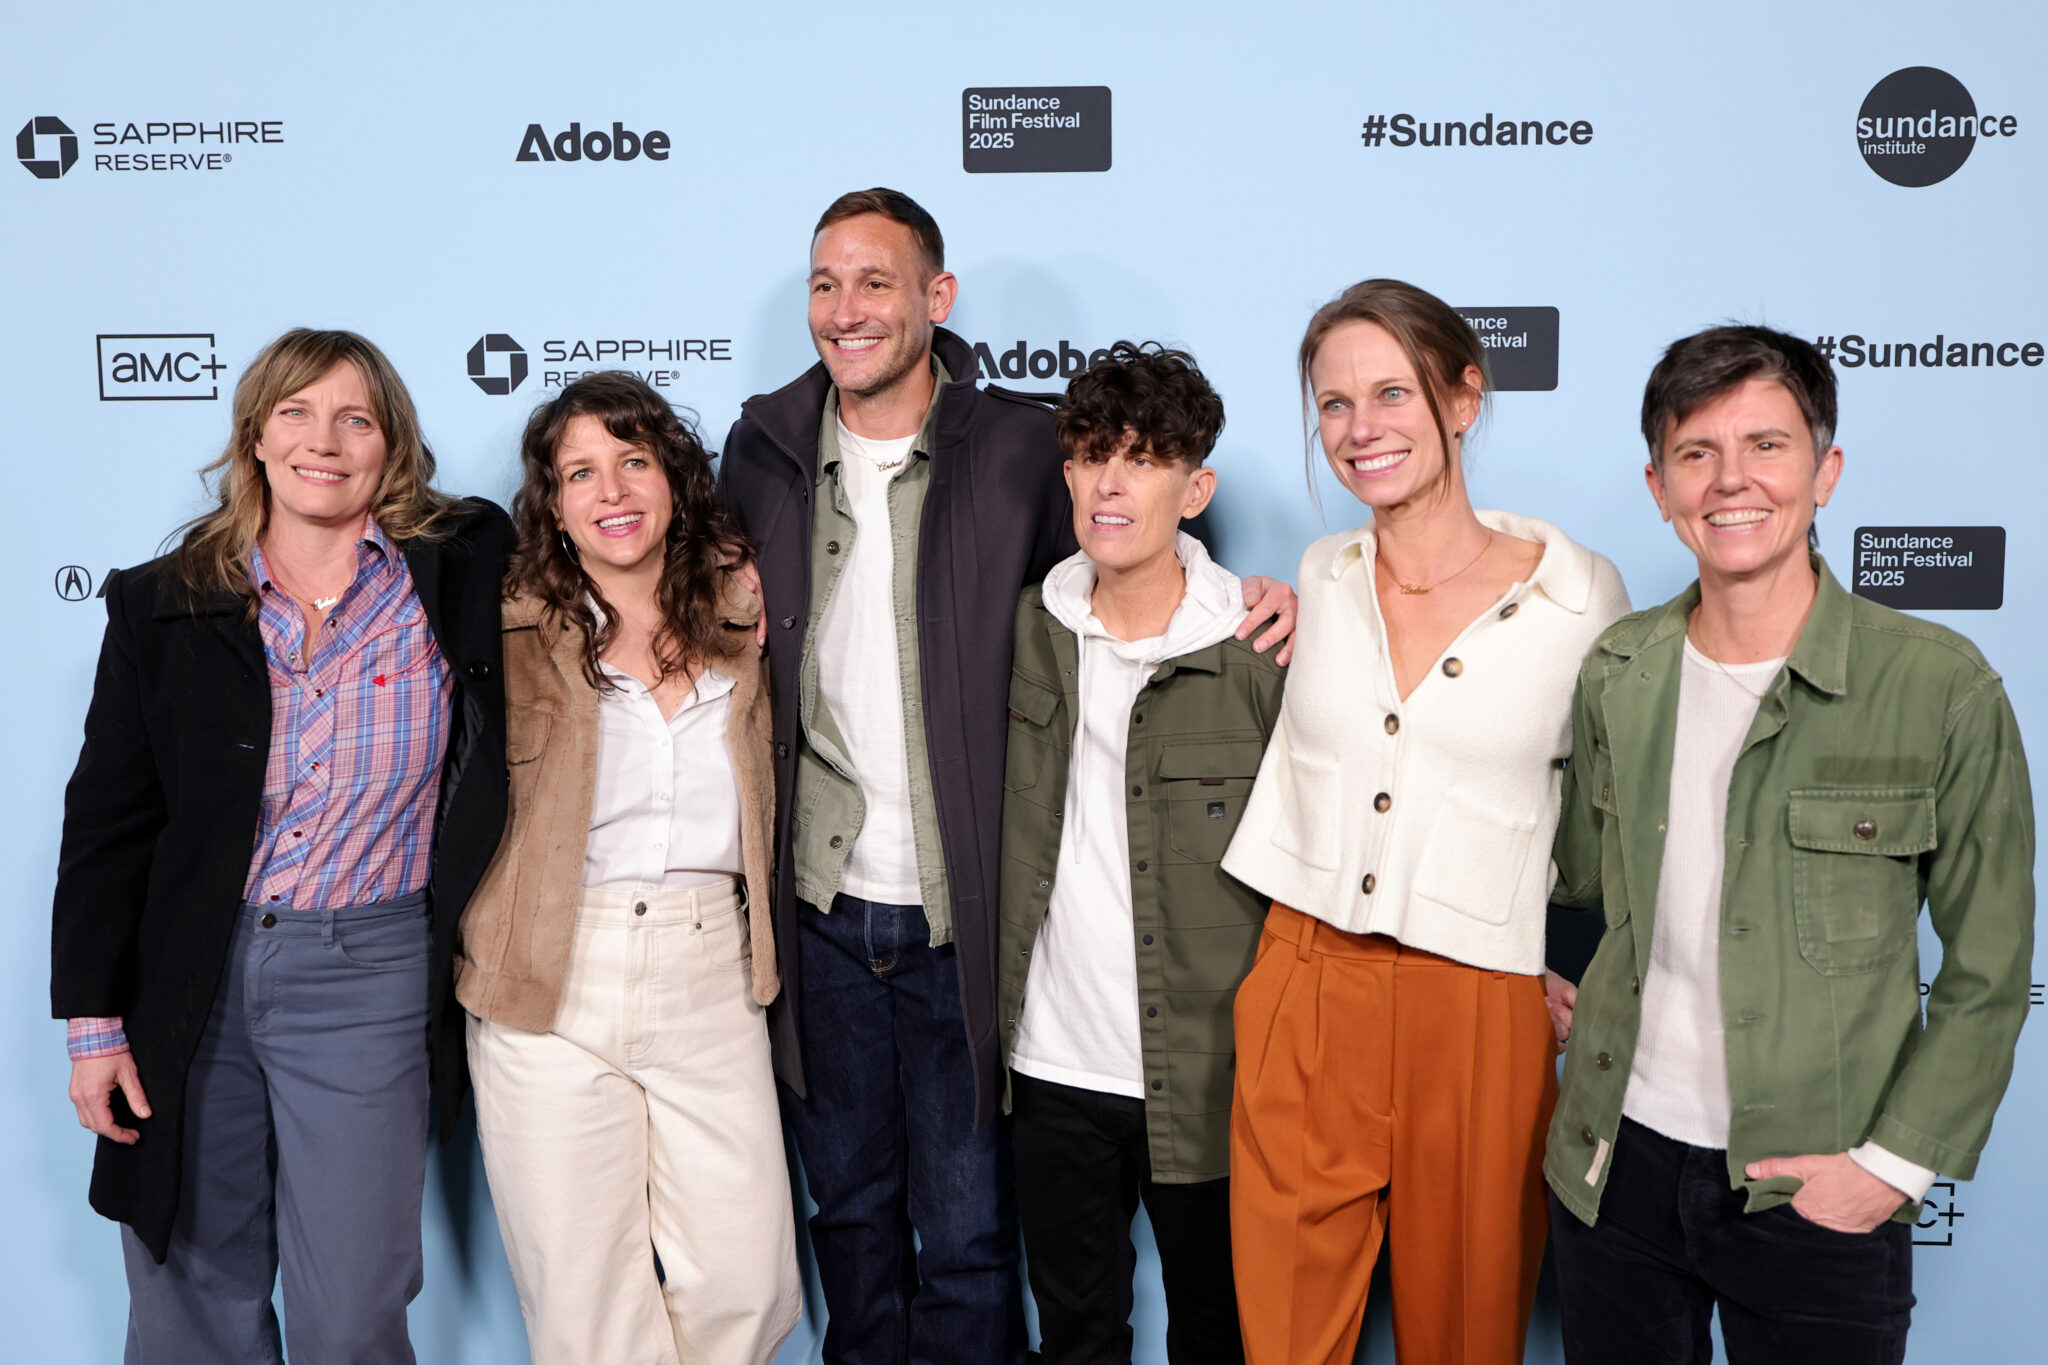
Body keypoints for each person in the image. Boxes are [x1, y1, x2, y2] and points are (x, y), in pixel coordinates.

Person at [716, 187, 1296, 1364]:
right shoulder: (761, 447)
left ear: (936, 298)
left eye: (875, 282)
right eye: (825, 284)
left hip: (960, 920)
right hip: (821, 910)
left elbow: (1122, 580)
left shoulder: (1018, 445)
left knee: (975, 1237)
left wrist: (1273, 597)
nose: (845, 309)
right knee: (853, 1226)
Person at [1543, 325, 2035, 1364]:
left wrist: (1891, 1168)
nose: (1732, 481)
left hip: (1812, 1182)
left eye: (1765, 446)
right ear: (1656, 486)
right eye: (1695, 453)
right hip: (1614, 1167)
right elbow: (1579, 883)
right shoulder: (1616, 671)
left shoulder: (1939, 686)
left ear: (1825, 469)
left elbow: (1989, 970)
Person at [52, 328, 512, 1364]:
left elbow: (613, 551)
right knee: (188, 1297)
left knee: (352, 1308)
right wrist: (94, 1024)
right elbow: (108, 824)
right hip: (192, 978)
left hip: (371, 973)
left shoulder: (462, 567)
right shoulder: (160, 600)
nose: (326, 441)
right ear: (255, 434)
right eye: (297, 412)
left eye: (357, 418)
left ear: (390, 445)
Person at [1220, 279, 1630, 1365]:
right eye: (1332, 404)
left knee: (1466, 1334)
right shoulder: (1319, 575)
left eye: (1390, 393)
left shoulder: (1580, 599)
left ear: (1462, 398)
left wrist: (1575, 973)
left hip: (1475, 1002)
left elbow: (1622, 815)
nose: (1359, 430)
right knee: (1284, 1338)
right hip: (1301, 981)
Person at [456, 372, 799, 1364]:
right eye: (581, 473)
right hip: (548, 974)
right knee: (586, 1309)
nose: (611, 492)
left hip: (712, 971)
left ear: (675, 481)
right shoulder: (504, 619)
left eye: (633, 462)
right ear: (552, 507)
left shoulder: (743, 613)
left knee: (749, 1284)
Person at [999, 343, 1283, 1365]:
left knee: (1219, 1330)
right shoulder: (1025, 626)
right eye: (1088, 455)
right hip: (1051, 1065)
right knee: (1076, 1331)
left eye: (1142, 457)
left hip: (1210, 1067)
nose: (1109, 481)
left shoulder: (1260, 650)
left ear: (1193, 486)